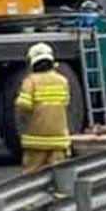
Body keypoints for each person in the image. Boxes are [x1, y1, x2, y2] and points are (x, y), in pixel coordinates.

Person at [16, 43, 72, 173]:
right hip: (59, 140)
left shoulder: (31, 81)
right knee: (58, 175)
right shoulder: (62, 81)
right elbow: (65, 102)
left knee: (32, 175)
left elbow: (23, 105)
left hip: (36, 140)